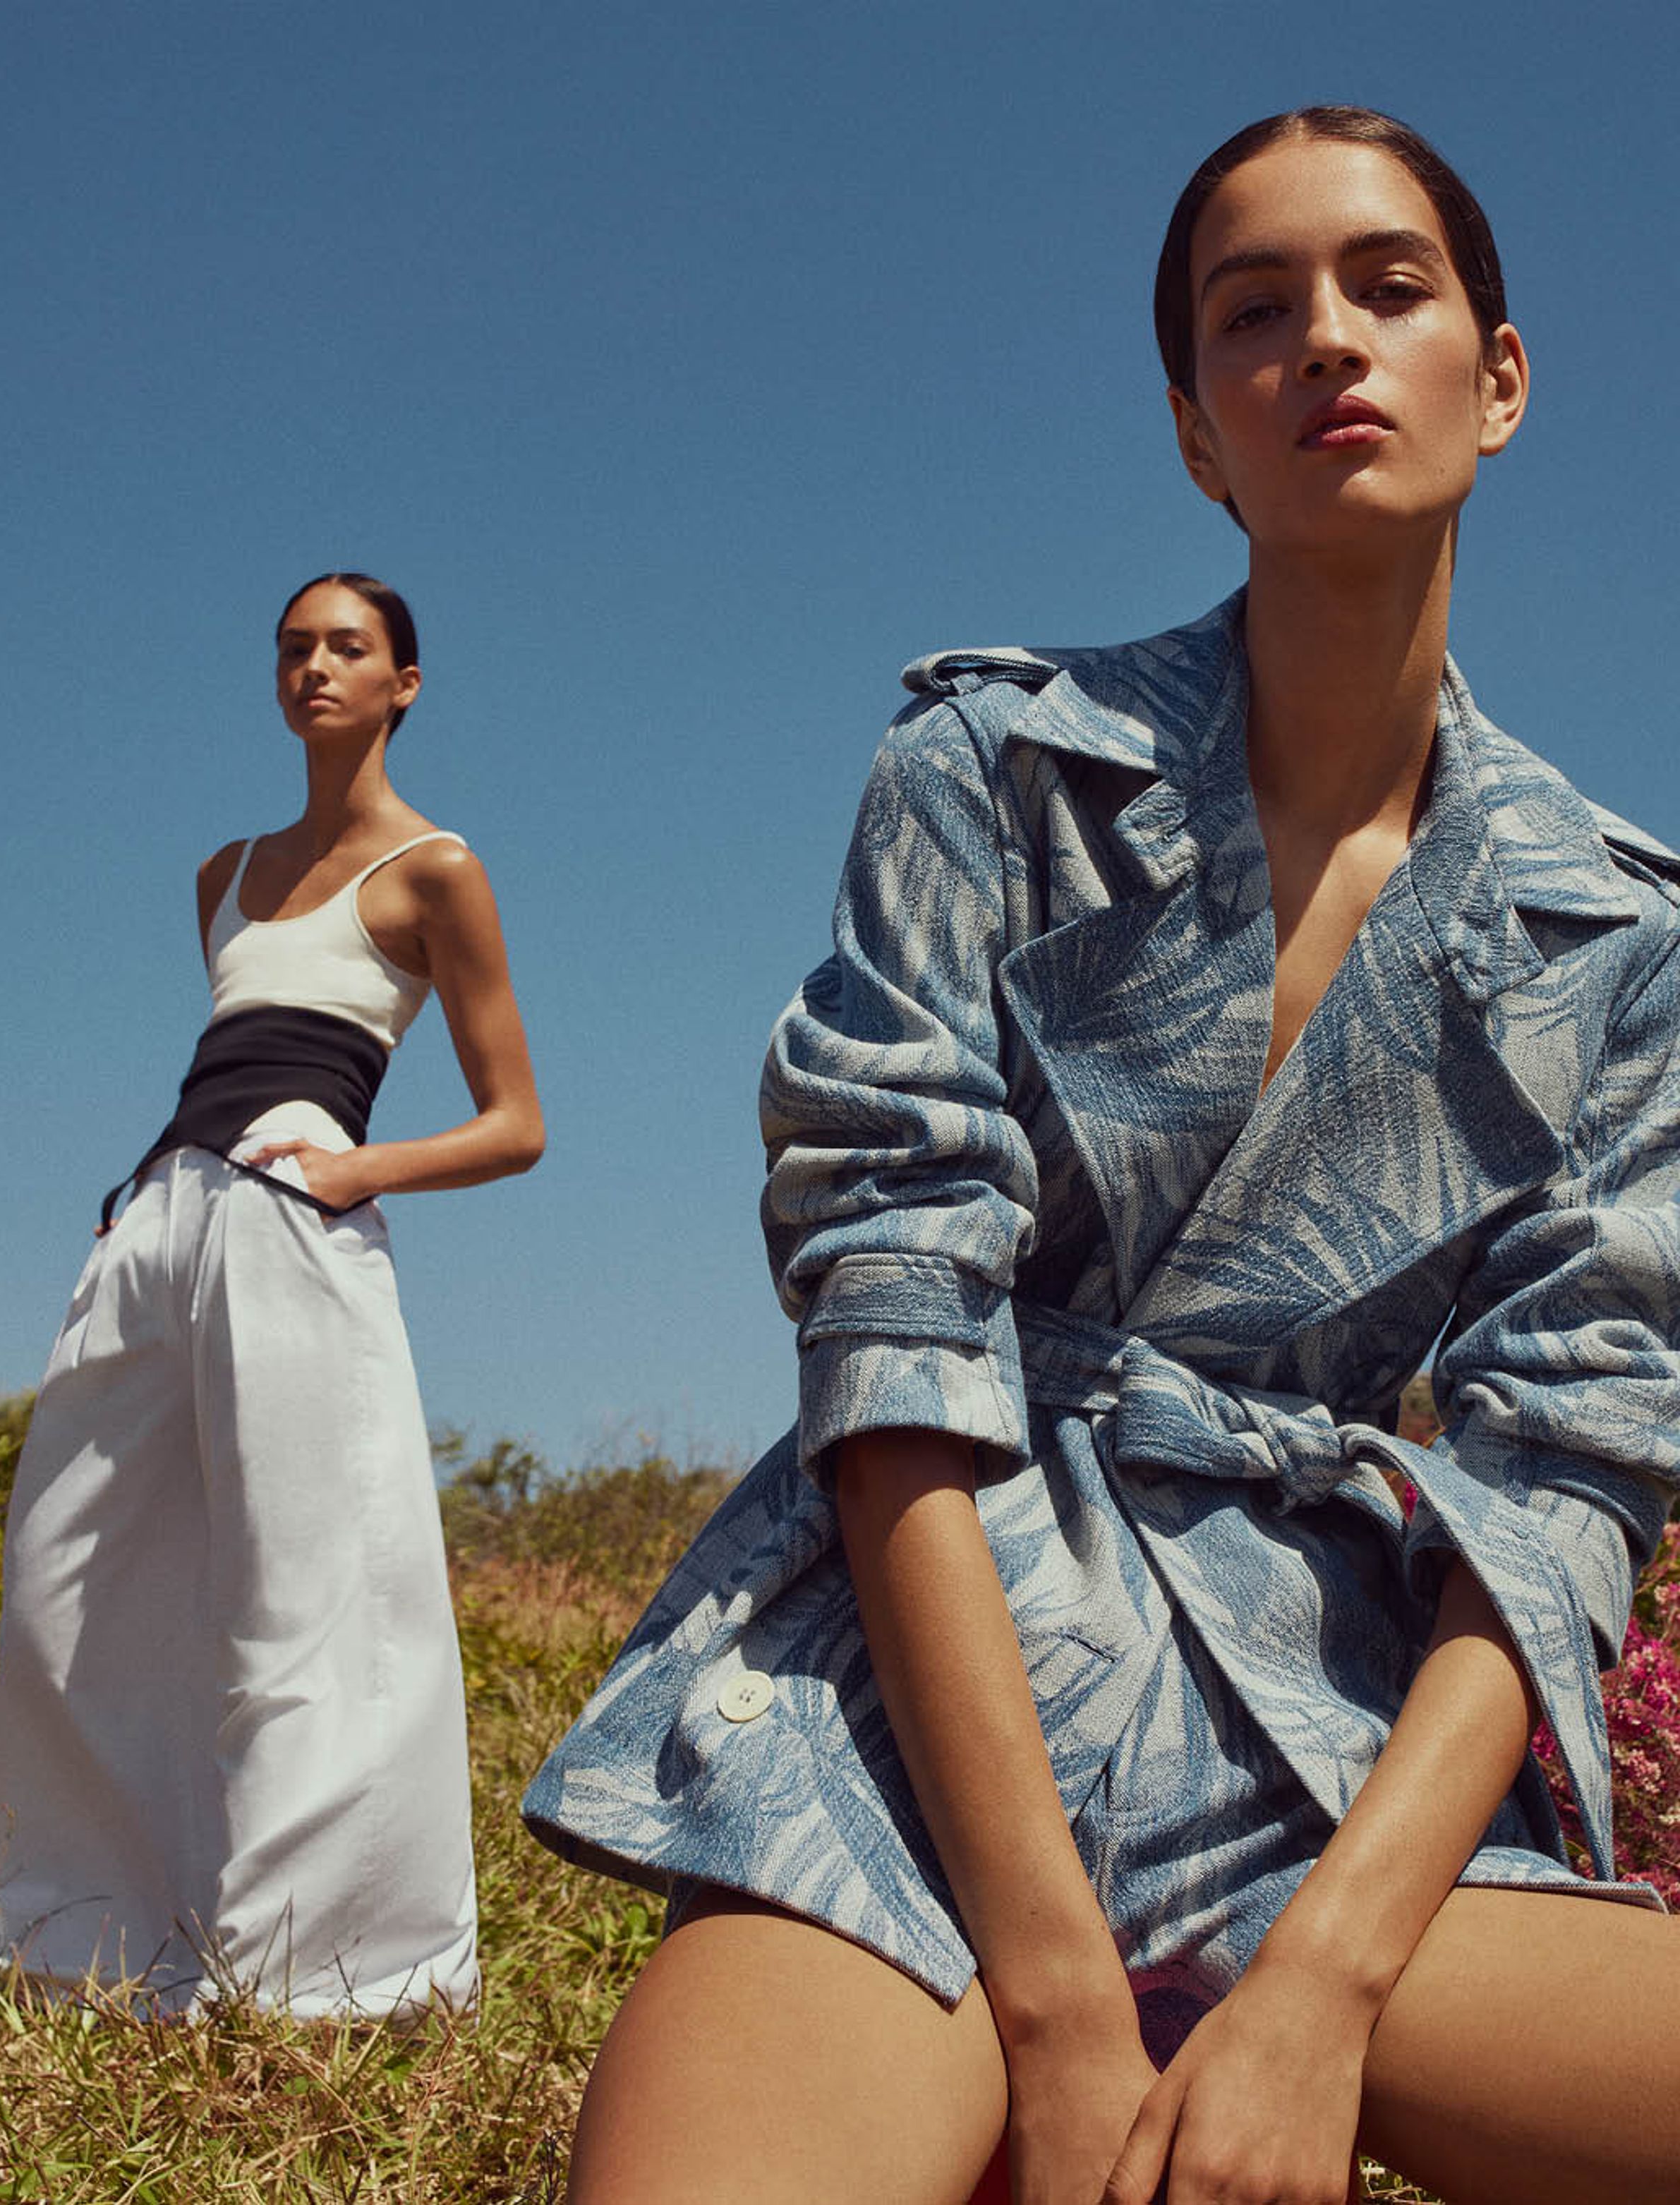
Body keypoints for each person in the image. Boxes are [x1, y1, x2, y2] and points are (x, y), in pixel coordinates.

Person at [523, 109, 1680, 2204]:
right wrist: (1061, 1999)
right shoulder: (988, 768)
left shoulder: (1618, 934)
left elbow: (1559, 1478)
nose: (1323, 337)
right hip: (915, 1711)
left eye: (1386, 285)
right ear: (1191, 434)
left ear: (1495, 380)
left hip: (1307, 1729)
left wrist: (1317, 1989)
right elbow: (891, 1344)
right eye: (1255, 313)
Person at [0, 572, 545, 2019]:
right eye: (295, 648)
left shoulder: (434, 869)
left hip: (297, 1215)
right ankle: (91, 1938)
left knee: (311, 1591)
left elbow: (514, 1123)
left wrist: (359, 1174)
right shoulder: (221, 872)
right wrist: (141, 1197)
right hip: (162, 1216)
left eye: (348, 647)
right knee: (74, 1578)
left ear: (404, 681)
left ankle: (321, 1967)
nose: (316, 668)